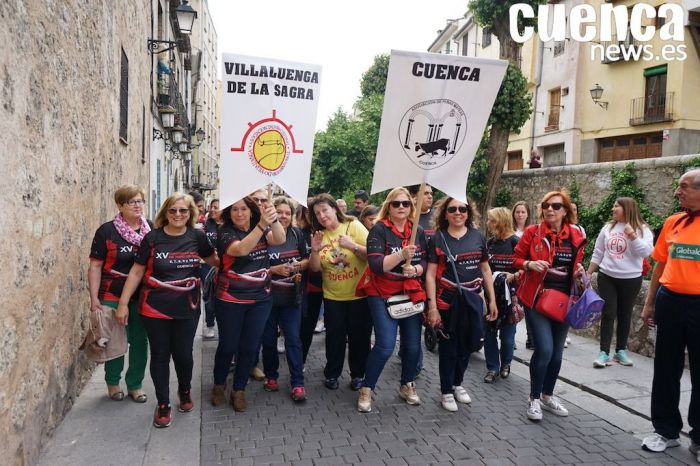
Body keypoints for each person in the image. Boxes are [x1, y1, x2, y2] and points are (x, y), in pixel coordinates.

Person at [116, 192, 219, 428]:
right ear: (165, 213)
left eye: (183, 210)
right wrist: (123, 303)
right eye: (173, 210)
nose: (178, 215)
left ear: (190, 213)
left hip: (188, 307)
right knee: (160, 355)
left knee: (183, 355)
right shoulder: (152, 238)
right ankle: (163, 403)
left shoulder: (198, 237)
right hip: (155, 307)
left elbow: (216, 261)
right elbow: (137, 271)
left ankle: (184, 390)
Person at [640, 169, 700, 457]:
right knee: (666, 368)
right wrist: (650, 303)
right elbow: (659, 265)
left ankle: (698, 437)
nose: (678, 191)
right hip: (670, 301)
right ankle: (665, 430)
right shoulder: (672, 222)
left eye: (684, 187)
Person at [513, 190, 586, 422]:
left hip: (564, 301)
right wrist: (529, 263)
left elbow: (577, 263)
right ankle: (533, 398)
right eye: (546, 205)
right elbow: (514, 259)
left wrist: (579, 272)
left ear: (565, 210)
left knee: (556, 354)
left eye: (555, 206)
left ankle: (547, 395)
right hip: (537, 297)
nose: (550, 210)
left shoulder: (576, 235)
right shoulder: (532, 233)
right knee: (544, 349)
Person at [355, 188, 428, 412]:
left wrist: (415, 268)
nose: (401, 208)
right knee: (386, 345)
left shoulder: (418, 230)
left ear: (411, 207)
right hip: (382, 291)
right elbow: (376, 266)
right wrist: (401, 255)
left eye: (406, 204)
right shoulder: (378, 230)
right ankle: (367, 388)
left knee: (413, 344)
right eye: (396, 204)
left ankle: (407, 383)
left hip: (409, 290)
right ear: (389, 206)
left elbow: (425, 262)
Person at [210, 195, 285, 412]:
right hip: (230, 299)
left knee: (250, 347)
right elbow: (241, 249)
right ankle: (219, 383)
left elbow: (279, 239)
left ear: (251, 210)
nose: (239, 213)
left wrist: (273, 218)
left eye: (244, 209)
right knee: (228, 345)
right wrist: (262, 224)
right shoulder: (225, 233)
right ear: (228, 213)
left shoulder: (259, 227)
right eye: (234, 209)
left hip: (260, 298)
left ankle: (239, 389)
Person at [425, 197, 498, 412]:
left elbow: (485, 269)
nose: (458, 213)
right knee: (449, 347)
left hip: (472, 301)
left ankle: (457, 383)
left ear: (469, 212)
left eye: (462, 209)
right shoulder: (438, 238)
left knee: (468, 345)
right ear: (444, 214)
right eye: (453, 209)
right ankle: (446, 390)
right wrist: (432, 308)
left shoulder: (477, 237)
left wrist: (491, 299)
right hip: (448, 301)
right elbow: (430, 275)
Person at [88, 184, 150, 403]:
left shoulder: (149, 229)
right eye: (131, 202)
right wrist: (94, 298)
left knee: (140, 341)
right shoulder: (107, 231)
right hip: (111, 294)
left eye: (140, 200)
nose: (137, 205)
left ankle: (135, 384)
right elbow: (95, 266)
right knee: (115, 341)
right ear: (120, 205)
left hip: (141, 296)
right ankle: (113, 382)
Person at [309, 193, 371, 391]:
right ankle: (332, 373)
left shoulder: (353, 225)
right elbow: (315, 269)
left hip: (358, 294)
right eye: (317, 213)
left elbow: (374, 254)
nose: (322, 216)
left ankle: (358, 374)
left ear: (335, 209)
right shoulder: (320, 235)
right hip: (333, 296)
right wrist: (315, 251)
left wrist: (352, 245)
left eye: (325, 210)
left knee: (358, 338)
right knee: (334, 338)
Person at [587, 197, 653, 368]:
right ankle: (603, 353)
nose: (613, 209)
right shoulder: (608, 228)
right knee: (608, 313)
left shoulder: (642, 229)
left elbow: (646, 252)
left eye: (616, 206)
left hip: (631, 279)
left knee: (625, 314)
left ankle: (620, 351)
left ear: (627, 208)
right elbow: (598, 252)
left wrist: (632, 236)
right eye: (613, 206)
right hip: (607, 276)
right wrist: (588, 273)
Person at [262, 196, 309, 402]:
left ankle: (297, 383)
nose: (283, 216)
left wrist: (298, 265)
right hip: (267, 297)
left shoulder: (297, 234)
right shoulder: (263, 236)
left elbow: (307, 260)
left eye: (287, 213)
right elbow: (253, 267)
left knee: (293, 340)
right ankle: (271, 377)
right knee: (268, 340)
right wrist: (275, 269)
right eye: (279, 212)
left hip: (291, 297)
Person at [483, 207, 520, 383]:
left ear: (501, 221)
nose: (489, 223)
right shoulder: (490, 243)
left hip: (509, 295)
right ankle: (492, 367)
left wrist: (515, 275)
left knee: (507, 336)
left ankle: (506, 363)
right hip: (491, 295)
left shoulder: (515, 242)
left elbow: (523, 267)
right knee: (489, 332)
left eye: (492, 220)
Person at [297, 202, 325, 362]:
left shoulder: (329, 232)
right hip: (305, 288)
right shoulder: (299, 233)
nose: (313, 215)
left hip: (328, 285)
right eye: (309, 212)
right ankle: (300, 360)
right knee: (305, 326)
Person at [512, 201, 534, 348]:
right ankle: (511, 338)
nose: (520, 215)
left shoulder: (533, 231)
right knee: (514, 306)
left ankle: (531, 338)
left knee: (529, 307)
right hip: (514, 272)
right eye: (517, 212)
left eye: (523, 212)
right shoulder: (510, 231)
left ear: (528, 214)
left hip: (529, 272)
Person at [202, 198, 223, 339]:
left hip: (223, 264)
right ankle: (210, 324)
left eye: (216, 207)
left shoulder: (229, 225)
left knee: (222, 295)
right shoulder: (205, 224)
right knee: (208, 294)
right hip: (207, 265)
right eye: (211, 207)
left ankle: (223, 323)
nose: (213, 209)